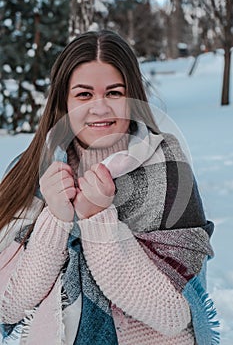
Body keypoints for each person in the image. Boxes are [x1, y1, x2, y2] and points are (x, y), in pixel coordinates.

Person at [0, 30, 219, 345]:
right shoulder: (28, 172)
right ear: (63, 101)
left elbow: (173, 315)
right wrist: (57, 218)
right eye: (84, 95)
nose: (100, 108)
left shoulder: (169, 171)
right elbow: (9, 307)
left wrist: (97, 220)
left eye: (114, 93)